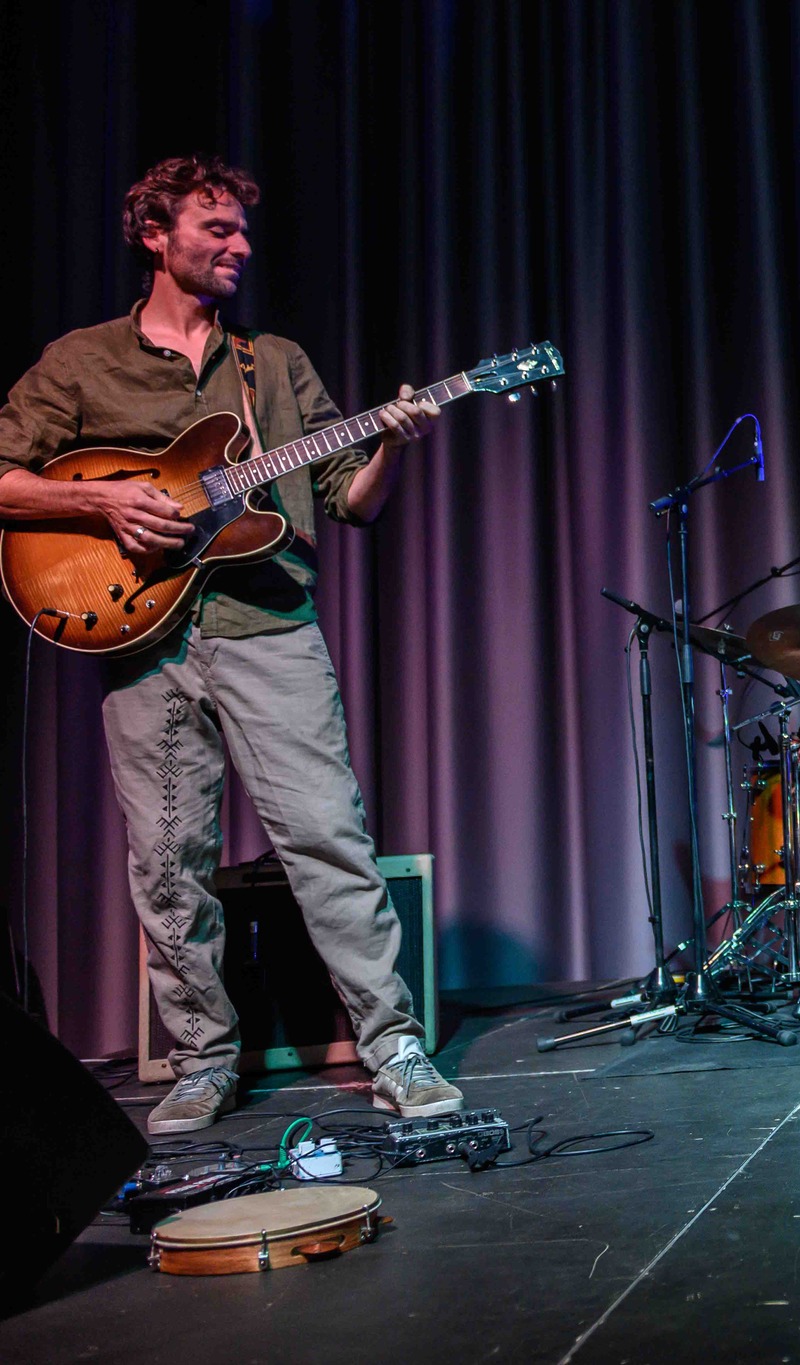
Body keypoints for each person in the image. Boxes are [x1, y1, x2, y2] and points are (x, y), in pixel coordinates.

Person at [0, 155, 462, 1133]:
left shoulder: (275, 363)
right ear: (154, 235)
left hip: (268, 628)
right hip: (142, 637)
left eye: (243, 231)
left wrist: (390, 440)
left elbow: (349, 500)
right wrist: (102, 504)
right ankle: (202, 1059)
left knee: (329, 839)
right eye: (216, 228)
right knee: (168, 862)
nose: (239, 246)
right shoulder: (81, 362)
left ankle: (394, 1045)